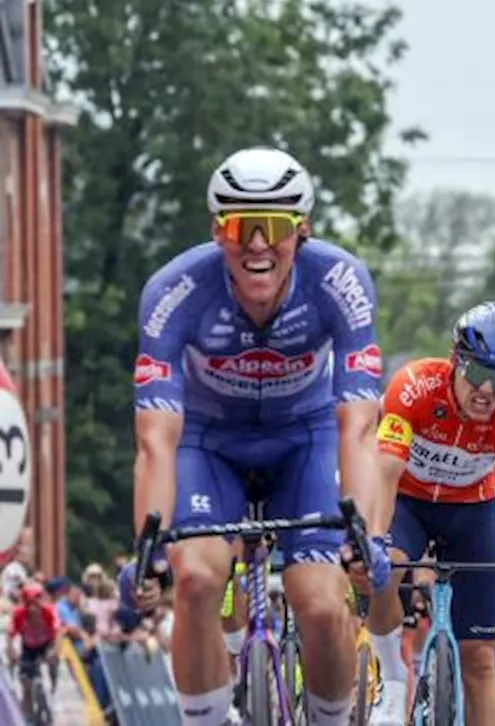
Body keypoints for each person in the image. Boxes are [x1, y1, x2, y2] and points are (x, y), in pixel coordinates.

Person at [119, 147, 391, 726]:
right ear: (219, 232)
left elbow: (360, 427)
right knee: (193, 580)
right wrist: (147, 549)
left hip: (305, 439)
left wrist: (365, 536)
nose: (259, 245)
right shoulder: (174, 292)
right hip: (209, 443)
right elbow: (156, 441)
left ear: (304, 231)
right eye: (242, 226)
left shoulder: (339, 281)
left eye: (277, 227)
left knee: (320, 605)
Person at [360, 301, 495, 726]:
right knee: (391, 568)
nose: (487, 391)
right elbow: (384, 475)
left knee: (480, 658)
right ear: (455, 359)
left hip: (470, 510)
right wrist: (375, 543)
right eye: (478, 373)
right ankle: (391, 681)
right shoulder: (413, 386)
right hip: (406, 501)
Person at [8, 581, 61, 723]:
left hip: (46, 645)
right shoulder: (19, 614)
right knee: (25, 681)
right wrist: (11, 652)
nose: (33, 610)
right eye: (29, 605)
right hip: (29, 647)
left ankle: (52, 692)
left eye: (35, 605)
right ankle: (28, 716)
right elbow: (10, 635)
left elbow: (58, 633)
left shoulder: (49, 611)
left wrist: (54, 651)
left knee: (52, 663)